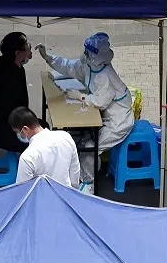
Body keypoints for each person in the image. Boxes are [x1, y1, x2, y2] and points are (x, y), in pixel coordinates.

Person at [36, 33, 134, 195]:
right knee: (79, 139)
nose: (86, 54)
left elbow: (100, 101)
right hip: (104, 117)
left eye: (89, 52)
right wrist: (49, 58)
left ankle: (88, 183)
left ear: (96, 55)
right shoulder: (90, 67)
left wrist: (80, 96)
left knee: (90, 147)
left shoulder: (105, 76)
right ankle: (78, 175)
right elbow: (70, 67)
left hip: (118, 123)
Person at [0, 33, 33, 154]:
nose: (29, 47)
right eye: (26, 45)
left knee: (40, 127)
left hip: (0, 124)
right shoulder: (8, 76)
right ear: (17, 53)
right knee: (40, 141)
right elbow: (13, 110)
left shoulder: (6, 65)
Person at [10, 106, 80, 189]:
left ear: (25, 129)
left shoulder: (27, 157)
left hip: (41, 200)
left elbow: (22, 191)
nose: (18, 136)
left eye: (18, 132)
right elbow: (75, 171)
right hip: (65, 195)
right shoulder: (66, 137)